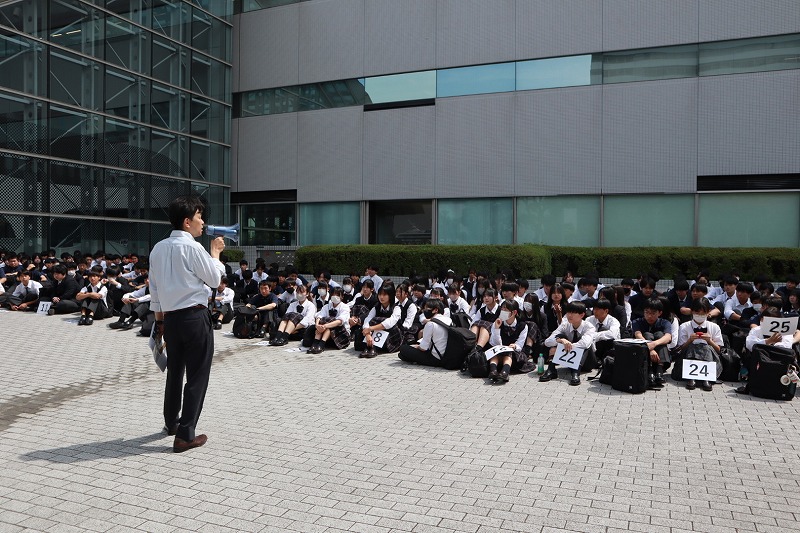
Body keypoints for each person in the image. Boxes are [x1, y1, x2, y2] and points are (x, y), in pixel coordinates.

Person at [149, 195, 225, 453]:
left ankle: (172, 422)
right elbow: (214, 280)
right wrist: (215, 254)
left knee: (175, 371)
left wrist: (160, 323)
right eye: (199, 217)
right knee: (197, 375)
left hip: (170, 318)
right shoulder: (193, 248)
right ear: (186, 221)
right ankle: (185, 434)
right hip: (194, 317)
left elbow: (155, 291)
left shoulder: (158, 249)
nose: (202, 222)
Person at [676, 297, 723, 392]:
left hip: (710, 358)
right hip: (687, 358)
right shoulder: (684, 326)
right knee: (693, 346)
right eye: (697, 313)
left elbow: (719, 350)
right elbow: (680, 349)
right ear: (692, 312)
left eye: (703, 313)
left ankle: (706, 377)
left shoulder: (714, 327)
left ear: (708, 312)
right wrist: (689, 340)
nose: (700, 316)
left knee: (705, 347)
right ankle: (691, 377)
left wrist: (709, 341)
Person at [398, 299, 451, 367]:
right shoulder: (448, 320)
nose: (424, 311)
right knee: (403, 354)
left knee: (403, 348)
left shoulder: (430, 324)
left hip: (435, 358)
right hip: (446, 355)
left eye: (427, 309)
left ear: (435, 310)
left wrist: (416, 346)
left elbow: (423, 348)